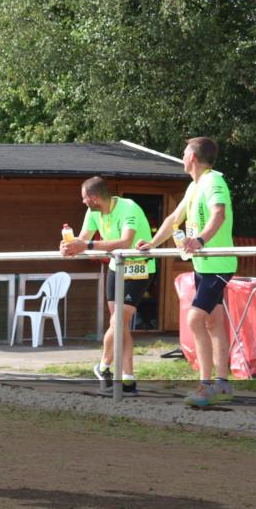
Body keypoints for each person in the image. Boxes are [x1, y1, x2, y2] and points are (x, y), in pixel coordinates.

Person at [138, 137, 237, 408]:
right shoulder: (194, 186)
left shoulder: (214, 181)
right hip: (203, 266)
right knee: (213, 323)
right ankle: (223, 382)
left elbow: (219, 214)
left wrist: (201, 240)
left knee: (194, 320)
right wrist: (151, 243)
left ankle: (206, 386)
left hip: (218, 264)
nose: (181, 157)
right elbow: (173, 220)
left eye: (183, 153)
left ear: (192, 157)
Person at [60, 177, 156, 395]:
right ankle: (126, 378)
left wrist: (87, 245)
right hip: (117, 267)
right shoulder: (92, 212)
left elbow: (126, 243)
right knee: (118, 323)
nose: (83, 202)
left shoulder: (128, 207)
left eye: (84, 198)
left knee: (118, 320)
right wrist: (70, 246)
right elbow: (82, 240)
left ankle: (104, 367)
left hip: (139, 267)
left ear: (94, 198)